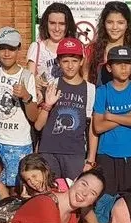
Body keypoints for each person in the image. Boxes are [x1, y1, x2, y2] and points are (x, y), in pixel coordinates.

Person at [35, 37, 98, 180]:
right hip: (49, 150)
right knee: (50, 190)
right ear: (58, 62)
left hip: (75, 153)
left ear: (81, 61)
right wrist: (47, 106)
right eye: (65, 61)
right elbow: (38, 126)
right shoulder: (52, 85)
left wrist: (90, 159)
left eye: (74, 61)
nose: (70, 66)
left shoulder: (90, 89)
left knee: (73, 189)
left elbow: (92, 128)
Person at [0, 27, 39, 187]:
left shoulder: (26, 76)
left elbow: (34, 116)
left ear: (19, 49)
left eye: (11, 48)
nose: (6, 53)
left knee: (19, 187)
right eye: (2, 48)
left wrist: (26, 96)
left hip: (19, 143)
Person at [92, 46, 131, 196]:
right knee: (105, 198)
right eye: (118, 63)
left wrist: (111, 116)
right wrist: (128, 116)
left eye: (127, 63)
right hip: (106, 153)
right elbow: (98, 127)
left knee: (128, 197)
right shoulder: (102, 91)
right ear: (109, 68)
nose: (124, 67)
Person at [84, 1, 131, 87]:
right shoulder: (92, 49)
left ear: (127, 24)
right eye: (110, 22)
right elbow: (85, 82)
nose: (115, 27)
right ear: (104, 23)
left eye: (120, 23)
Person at [26, 2, 78, 89]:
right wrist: (34, 81)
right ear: (46, 24)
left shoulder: (76, 47)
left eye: (62, 24)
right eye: (52, 23)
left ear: (68, 25)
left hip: (70, 96)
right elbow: (28, 79)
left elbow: (83, 78)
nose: (57, 28)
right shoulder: (37, 47)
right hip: (44, 97)